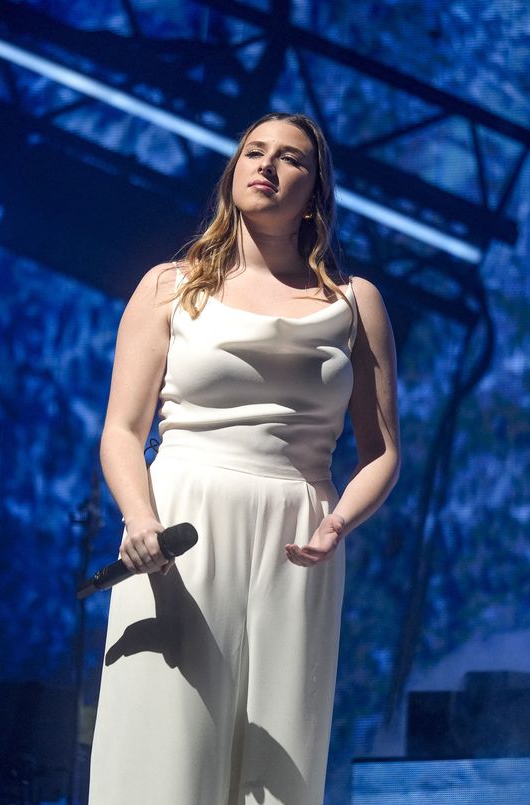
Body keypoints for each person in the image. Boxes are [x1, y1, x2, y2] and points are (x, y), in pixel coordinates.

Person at [88, 112, 400, 805]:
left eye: (290, 158)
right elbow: (121, 428)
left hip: (298, 532)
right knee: (163, 741)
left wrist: (337, 522)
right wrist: (140, 519)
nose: (267, 165)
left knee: (276, 758)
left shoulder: (354, 304)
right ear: (232, 173)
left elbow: (381, 453)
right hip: (181, 523)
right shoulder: (171, 286)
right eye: (253, 151)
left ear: (316, 189)